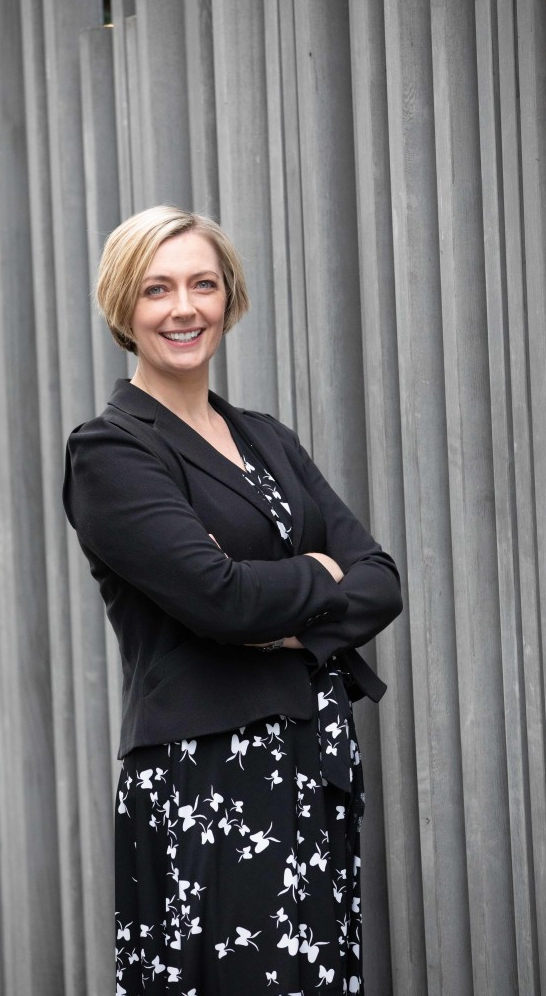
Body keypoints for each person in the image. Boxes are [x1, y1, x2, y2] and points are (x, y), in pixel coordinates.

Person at [63, 206, 402, 996]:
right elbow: (221, 601)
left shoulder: (266, 438)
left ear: (228, 297)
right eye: (156, 289)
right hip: (209, 777)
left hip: (310, 762)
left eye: (202, 285)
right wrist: (317, 572)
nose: (183, 308)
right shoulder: (112, 451)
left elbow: (379, 578)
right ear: (122, 305)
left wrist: (279, 620)